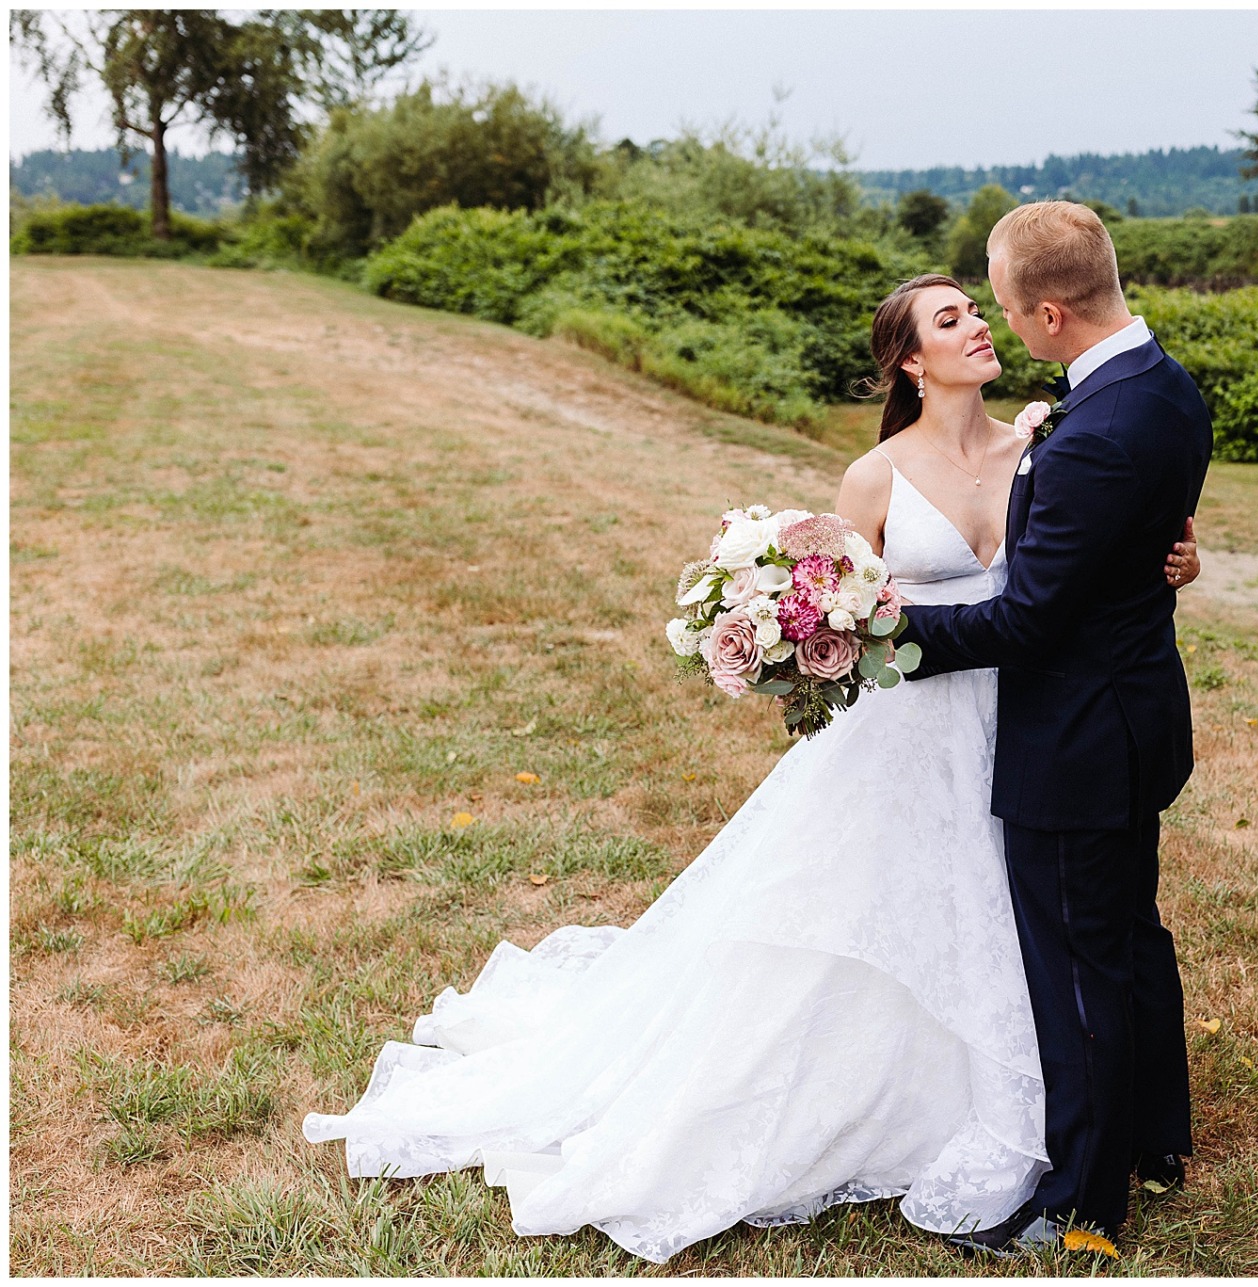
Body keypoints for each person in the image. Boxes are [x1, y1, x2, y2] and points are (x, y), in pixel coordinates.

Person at [302, 267, 1204, 1264]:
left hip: (1036, 718)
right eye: (950, 320)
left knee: (1043, 918)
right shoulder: (876, 479)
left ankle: (1079, 1113)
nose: (976, 327)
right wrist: (819, 627)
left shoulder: (1045, 438)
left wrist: (1177, 558)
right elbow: (837, 601)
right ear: (910, 359)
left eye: (979, 310)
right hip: (920, 734)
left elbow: (1092, 555)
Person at [895, 202, 1212, 1255]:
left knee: (1079, 966)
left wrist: (884, 635)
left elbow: (1027, 619)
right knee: (1128, 937)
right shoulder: (1164, 389)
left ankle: (1080, 1200)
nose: (992, 319)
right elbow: (1132, 549)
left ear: (1046, 314)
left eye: (997, 300)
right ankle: (1158, 1137)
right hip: (1135, 714)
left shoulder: (1091, 436)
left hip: (1075, 738)